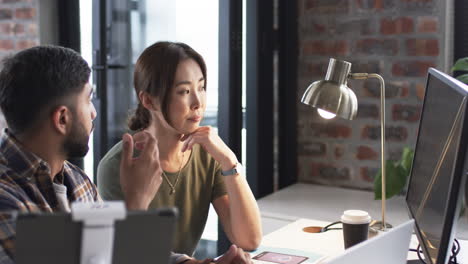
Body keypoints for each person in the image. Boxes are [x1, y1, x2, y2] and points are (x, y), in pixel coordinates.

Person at [0, 45, 252, 264]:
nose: (94, 113)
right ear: (62, 118)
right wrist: (136, 203)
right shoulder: (7, 203)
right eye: (88, 101)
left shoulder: (75, 180)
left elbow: (109, 252)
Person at [97, 42, 262, 257]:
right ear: (148, 100)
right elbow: (134, 255)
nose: (198, 103)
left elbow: (249, 239)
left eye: (201, 88)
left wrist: (229, 160)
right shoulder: (117, 166)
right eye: (184, 91)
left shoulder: (207, 154)